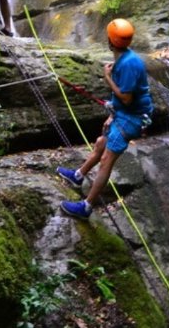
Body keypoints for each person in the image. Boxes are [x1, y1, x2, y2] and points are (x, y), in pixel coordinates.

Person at [56, 18, 154, 219]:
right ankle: (78, 176)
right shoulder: (124, 58)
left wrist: (107, 78)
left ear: (110, 41)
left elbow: (126, 98)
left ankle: (86, 207)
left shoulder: (128, 64)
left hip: (131, 118)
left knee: (106, 160)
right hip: (125, 115)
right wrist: (112, 114)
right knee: (101, 143)